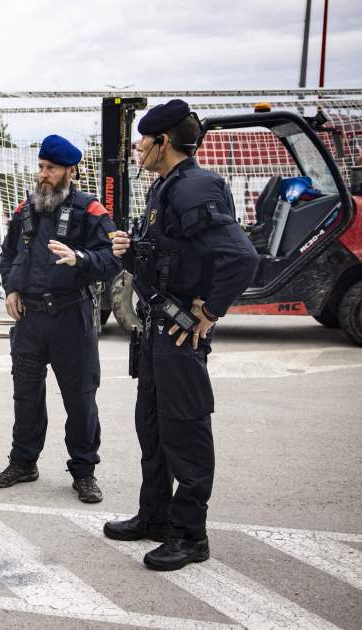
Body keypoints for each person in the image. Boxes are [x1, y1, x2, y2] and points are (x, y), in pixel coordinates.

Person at [103, 100, 258, 570]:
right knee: (152, 426)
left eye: (142, 141)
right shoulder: (166, 188)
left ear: (162, 142)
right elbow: (168, 258)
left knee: (184, 431)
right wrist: (130, 252)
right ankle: (155, 516)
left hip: (179, 334)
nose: (136, 149)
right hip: (155, 329)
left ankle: (191, 537)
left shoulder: (195, 187)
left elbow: (241, 258)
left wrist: (208, 311)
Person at [0, 135, 122, 503]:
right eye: (41, 167)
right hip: (30, 319)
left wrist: (81, 259)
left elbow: (113, 260)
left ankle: (84, 472)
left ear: (70, 171)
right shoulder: (24, 211)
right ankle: (23, 463)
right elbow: (7, 255)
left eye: (51, 169)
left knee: (80, 399)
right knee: (26, 396)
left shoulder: (90, 211)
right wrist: (12, 289)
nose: (43, 175)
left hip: (71, 317)